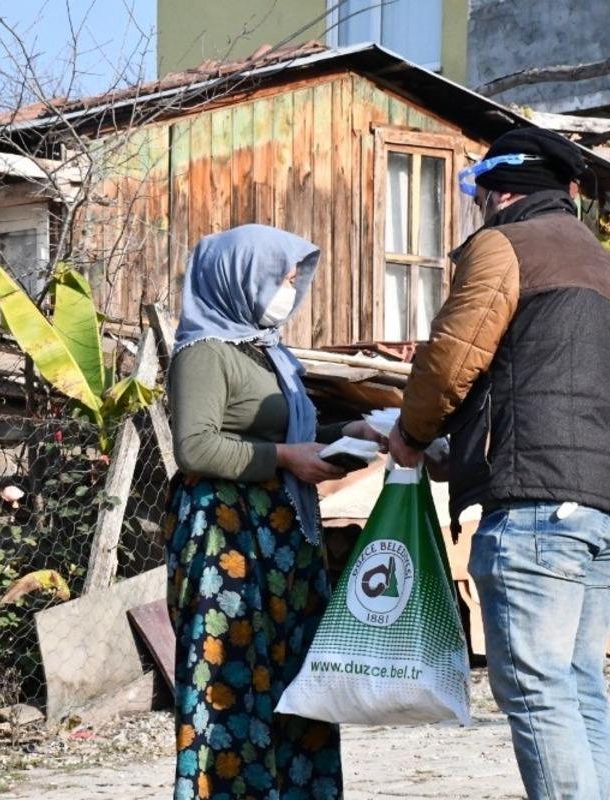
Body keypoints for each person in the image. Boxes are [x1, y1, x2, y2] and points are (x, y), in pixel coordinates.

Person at [386, 129, 610, 800]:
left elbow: (452, 357)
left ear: (501, 192)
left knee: (535, 689)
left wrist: (413, 434)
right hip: (609, 511)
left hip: (537, 512)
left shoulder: (504, 246)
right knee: (578, 685)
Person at [165, 224, 380, 800]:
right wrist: (286, 457)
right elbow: (196, 447)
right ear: (238, 277)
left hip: (281, 533)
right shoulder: (204, 353)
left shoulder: (265, 352)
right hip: (225, 538)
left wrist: (350, 433)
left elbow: (292, 436)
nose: (288, 291)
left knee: (293, 680)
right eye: (278, 278)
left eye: (291, 280)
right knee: (230, 677)